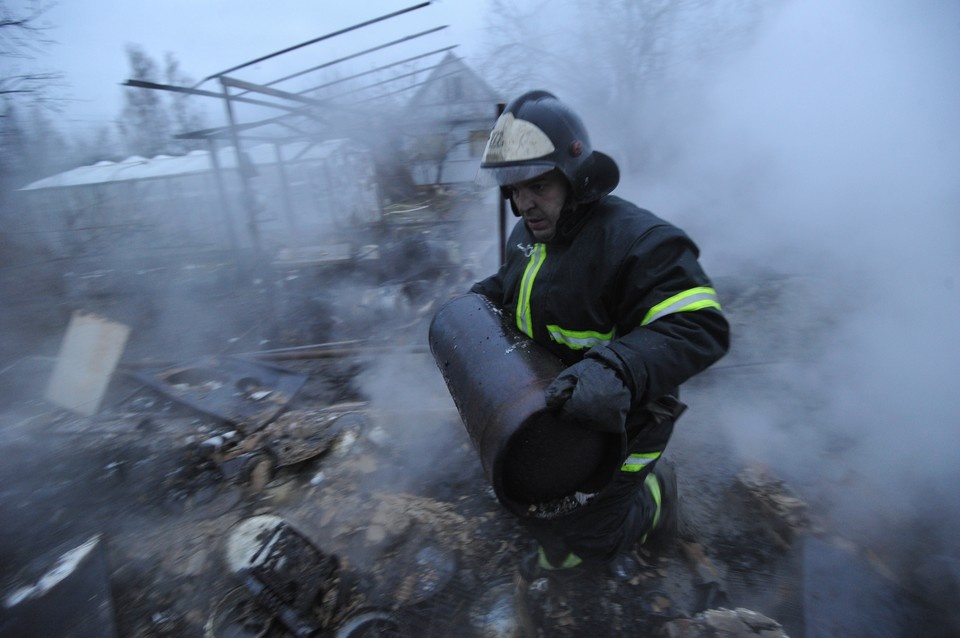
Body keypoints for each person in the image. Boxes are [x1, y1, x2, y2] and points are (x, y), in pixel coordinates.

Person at [469, 90, 730, 574]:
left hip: (628, 420)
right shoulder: (529, 234)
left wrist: (619, 368)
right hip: (561, 412)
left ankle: (658, 496)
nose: (522, 202)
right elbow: (519, 286)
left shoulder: (638, 243)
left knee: (590, 541)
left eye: (538, 184)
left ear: (573, 175)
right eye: (512, 186)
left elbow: (701, 326)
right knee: (542, 510)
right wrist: (481, 297)